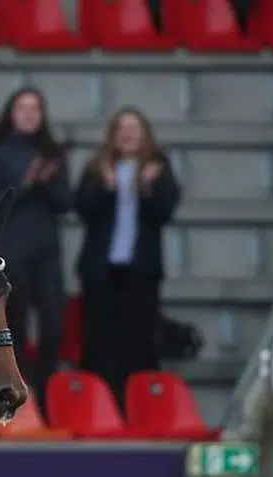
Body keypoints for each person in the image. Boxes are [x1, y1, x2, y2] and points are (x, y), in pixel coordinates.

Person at [74, 106, 181, 402]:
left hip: (141, 270)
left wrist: (147, 185)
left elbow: (165, 212)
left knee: (139, 342)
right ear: (113, 135)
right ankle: (100, 405)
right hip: (101, 271)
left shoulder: (159, 168)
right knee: (99, 342)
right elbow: (82, 209)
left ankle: (139, 406)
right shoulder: (97, 167)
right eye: (122, 128)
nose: (128, 133)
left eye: (134, 128)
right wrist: (107, 186)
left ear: (145, 134)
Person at [0, 87, 71, 399]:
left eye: (35, 109)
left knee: (52, 327)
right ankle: (17, 395)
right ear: (12, 114)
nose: (29, 114)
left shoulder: (52, 154)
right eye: (23, 108)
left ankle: (45, 392)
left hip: (47, 253)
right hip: (12, 252)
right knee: (13, 327)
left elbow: (65, 203)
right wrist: (27, 184)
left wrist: (48, 180)